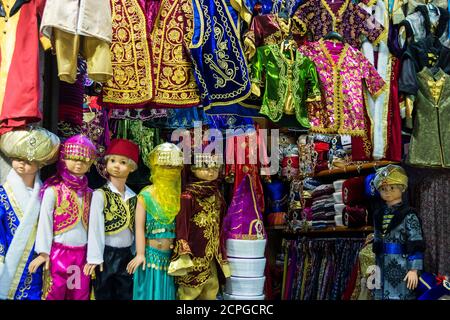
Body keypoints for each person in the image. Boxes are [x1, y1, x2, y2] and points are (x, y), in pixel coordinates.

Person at [29, 134, 97, 300]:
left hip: (82, 255)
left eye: (84, 160)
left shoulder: (92, 194)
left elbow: (95, 229)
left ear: (90, 165)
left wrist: (94, 257)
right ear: (63, 159)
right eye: (73, 158)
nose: (78, 163)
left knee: (79, 295)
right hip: (58, 253)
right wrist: (44, 252)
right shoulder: (54, 190)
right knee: (54, 293)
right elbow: (45, 222)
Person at [0, 127, 60, 300]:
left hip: (35, 262)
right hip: (8, 260)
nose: (21, 164)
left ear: (40, 164)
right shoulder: (3, 194)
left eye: (28, 161)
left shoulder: (46, 194)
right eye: (18, 159)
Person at [169, 152, 230, 300]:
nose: (211, 172)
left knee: (211, 290)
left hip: (213, 256)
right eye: (205, 167)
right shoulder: (188, 196)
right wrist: (182, 250)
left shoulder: (217, 195)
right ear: (194, 169)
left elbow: (222, 223)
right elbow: (181, 225)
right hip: (194, 255)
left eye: (215, 168)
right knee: (189, 293)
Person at [127, 142, 183, 300]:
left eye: (173, 167)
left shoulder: (179, 197)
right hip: (149, 258)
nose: (169, 171)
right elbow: (138, 227)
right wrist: (139, 254)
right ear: (156, 168)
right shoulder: (146, 195)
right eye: (164, 166)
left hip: (170, 261)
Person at [84, 139, 139, 300]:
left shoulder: (134, 197)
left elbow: (136, 228)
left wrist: (135, 252)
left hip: (127, 254)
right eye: (113, 160)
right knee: (104, 293)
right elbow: (95, 228)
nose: (116, 165)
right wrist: (95, 257)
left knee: (125, 293)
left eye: (123, 162)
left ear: (131, 167)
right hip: (106, 255)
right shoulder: (100, 195)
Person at [372, 164, 425, 300]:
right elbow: (378, 240)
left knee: (400, 294)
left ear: (401, 188)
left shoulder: (409, 215)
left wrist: (414, 269)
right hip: (381, 263)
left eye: (392, 188)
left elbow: (416, 242)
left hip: (401, 263)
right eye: (383, 189)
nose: (387, 192)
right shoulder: (378, 215)